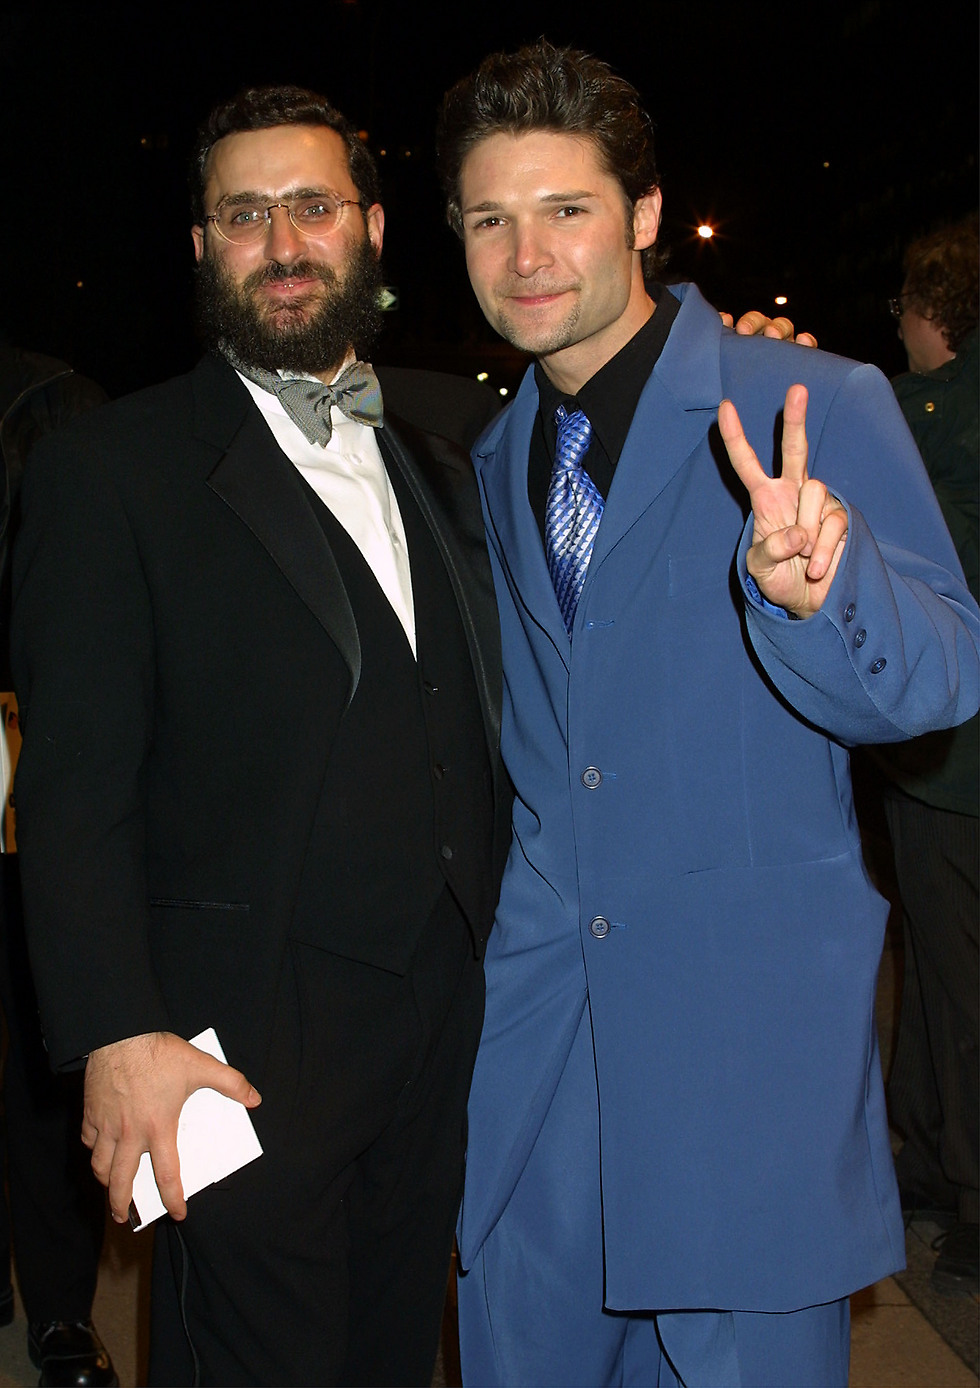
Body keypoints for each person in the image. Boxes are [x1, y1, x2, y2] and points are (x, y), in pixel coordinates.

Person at [435, 41, 980, 1388]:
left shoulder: (810, 405)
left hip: (743, 1083)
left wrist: (822, 589)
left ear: (646, 216)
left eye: (566, 208)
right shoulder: (495, 462)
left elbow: (939, 681)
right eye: (491, 219)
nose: (528, 253)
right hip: (539, 1093)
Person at [10, 85, 513, 1388]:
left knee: (401, 1346)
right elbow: (75, 788)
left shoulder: (455, 436)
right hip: (234, 1040)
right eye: (244, 214)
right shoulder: (108, 470)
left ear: (373, 225)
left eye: (312, 206)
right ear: (200, 245)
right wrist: (117, 1029)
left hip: (447, 1011)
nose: (282, 241)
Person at [0, 341, 117, 1388]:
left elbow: (76, 620)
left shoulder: (47, 402)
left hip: (18, 775)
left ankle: (60, 1311)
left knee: (41, 1049)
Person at [876, 216, 979, 1293]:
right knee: (935, 972)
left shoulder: (926, 421)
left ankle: (966, 1186)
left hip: (952, 764)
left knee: (956, 986)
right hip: (949, 761)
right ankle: (920, 1148)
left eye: (903, 308)